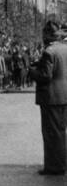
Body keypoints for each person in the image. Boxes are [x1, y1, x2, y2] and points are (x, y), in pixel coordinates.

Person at [30, 19, 67, 177]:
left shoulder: (48, 52)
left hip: (51, 98)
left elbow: (45, 76)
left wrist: (32, 71)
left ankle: (54, 167)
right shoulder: (64, 49)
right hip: (64, 96)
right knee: (61, 132)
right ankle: (62, 163)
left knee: (51, 133)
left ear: (47, 35)